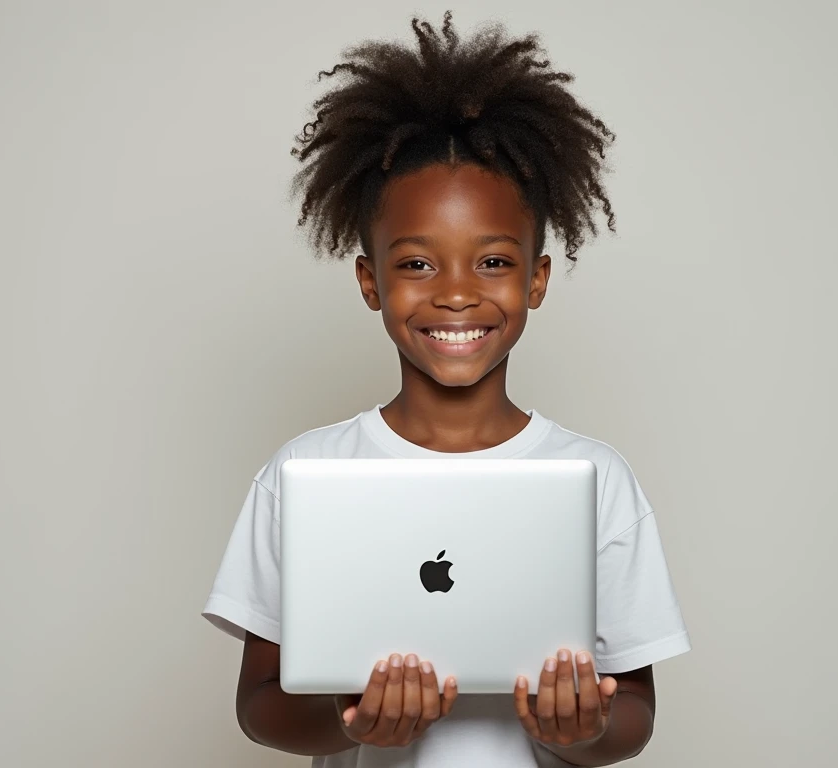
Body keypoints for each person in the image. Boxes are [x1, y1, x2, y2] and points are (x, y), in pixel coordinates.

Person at [203, 12, 690, 767]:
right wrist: (349, 722)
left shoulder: (599, 480)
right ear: (370, 280)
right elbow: (259, 705)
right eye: (417, 264)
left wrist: (584, 729)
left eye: (492, 262)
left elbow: (636, 713)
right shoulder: (308, 472)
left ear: (537, 278)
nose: (457, 295)